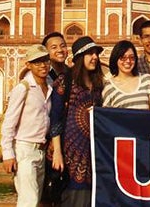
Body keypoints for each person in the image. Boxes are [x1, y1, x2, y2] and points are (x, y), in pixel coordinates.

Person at [50, 36, 105, 207]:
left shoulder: (98, 85)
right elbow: (56, 119)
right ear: (80, 57)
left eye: (96, 53)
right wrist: (57, 152)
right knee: (75, 196)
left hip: (94, 152)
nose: (95, 57)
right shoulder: (65, 81)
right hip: (71, 151)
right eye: (90, 53)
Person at [1, 44, 53, 207]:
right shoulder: (22, 88)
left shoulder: (50, 85)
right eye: (37, 62)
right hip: (24, 149)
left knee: (35, 198)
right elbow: (9, 122)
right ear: (28, 65)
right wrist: (8, 153)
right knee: (28, 201)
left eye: (45, 60)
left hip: (40, 150)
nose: (43, 65)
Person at [103, 40, 150, 109]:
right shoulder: (109, 87)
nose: (128, 61)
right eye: (123, 58)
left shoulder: (147, 80)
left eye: (132, 57)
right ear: (115, 59)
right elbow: (106, 116)